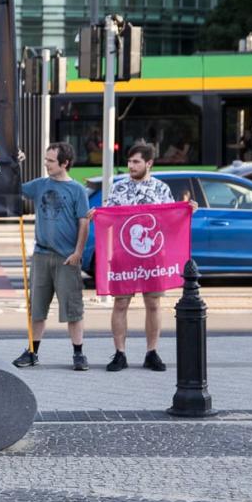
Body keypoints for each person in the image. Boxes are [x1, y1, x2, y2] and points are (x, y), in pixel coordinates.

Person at [95, 143, 197, 372]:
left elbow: (171, 220)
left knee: (153, 303)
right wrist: (99, 215)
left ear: (149, 163)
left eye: (136, 162)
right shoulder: (118, 188)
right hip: (123, 254)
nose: (131, 166)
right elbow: (109, 218)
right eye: (129, 162)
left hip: (152, 256)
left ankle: (152, 352)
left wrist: (188, 210)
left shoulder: (161, 189)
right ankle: (120, 353)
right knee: (121, 303)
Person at [13, 142, 90, 371]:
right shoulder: (40, 185)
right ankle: (32, 352)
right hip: (41, 255)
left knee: (73, 309)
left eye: (50, 161)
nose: (46, 164)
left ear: (64, 163)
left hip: (67, 258)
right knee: (36, 308)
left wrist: (78, 253)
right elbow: (13, 188)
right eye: (46, 159)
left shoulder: (77, 190)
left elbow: (84, 222)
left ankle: (78, 354)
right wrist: (14, 164)